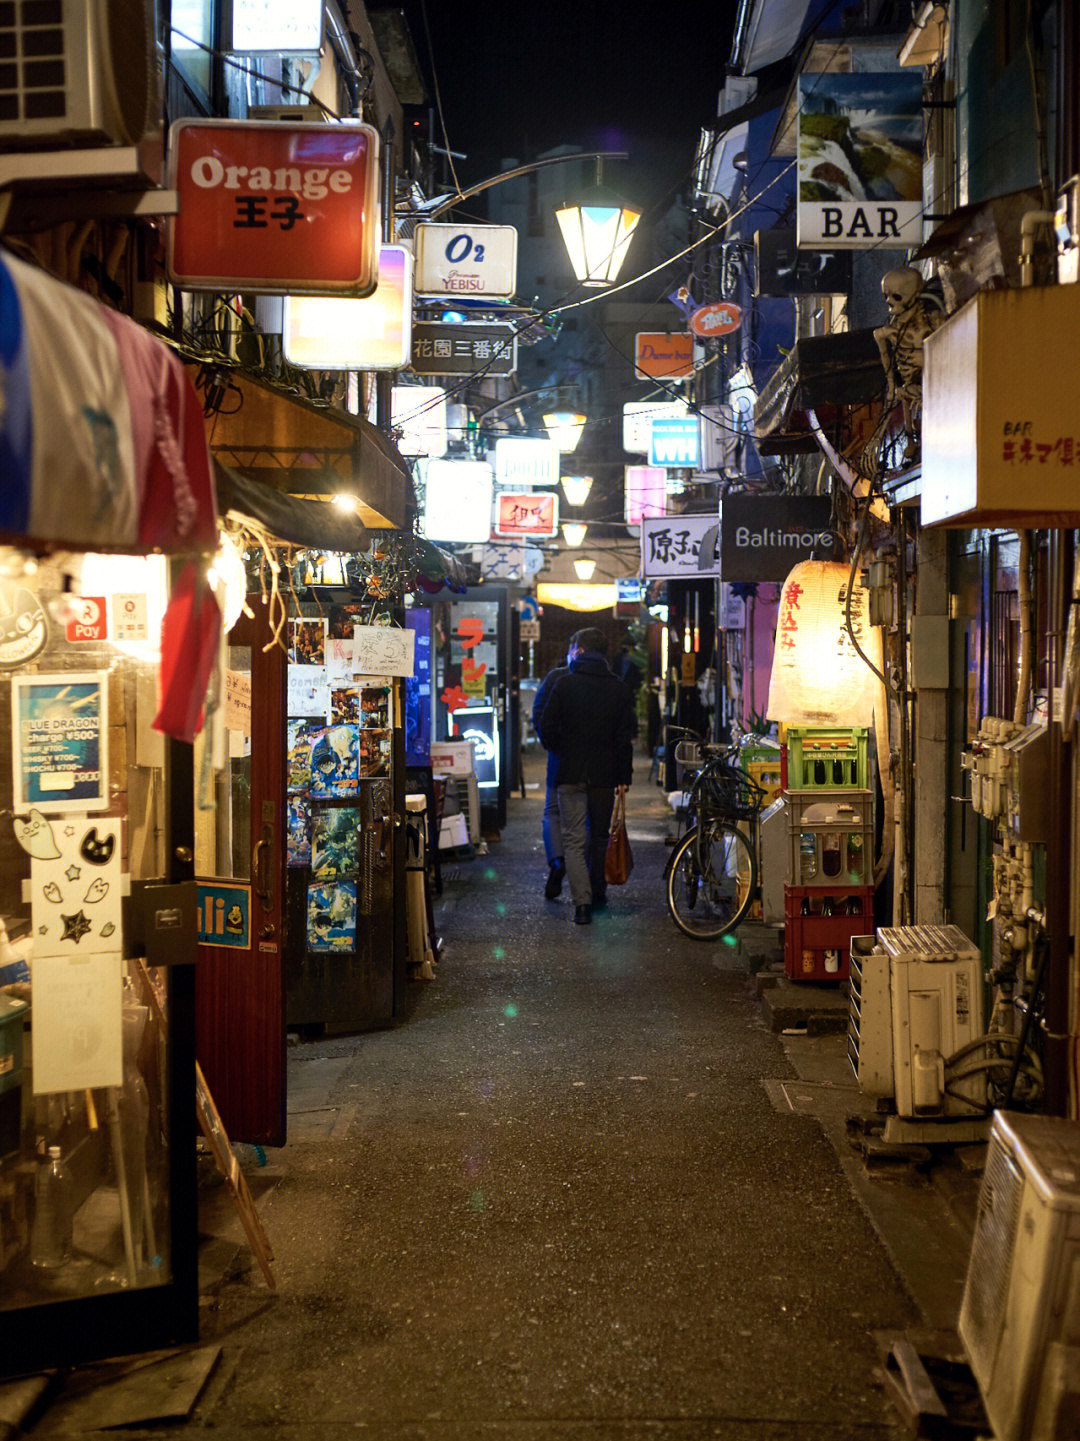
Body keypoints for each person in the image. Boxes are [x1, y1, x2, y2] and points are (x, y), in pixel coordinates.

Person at [536, 627, 634, 925]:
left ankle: (582, 905)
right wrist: (623, 775)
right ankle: (599, 893)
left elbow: (546, 727)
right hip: (604, 774)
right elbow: (623, 737)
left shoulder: (563, 684)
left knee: (574, 841)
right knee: (600, 835)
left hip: (570, 772)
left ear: (579, 650)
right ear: (603, 653)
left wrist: (560, 749)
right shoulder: (618, 688)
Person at [532, 640, 576, 899]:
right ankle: (586, 873)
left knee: (553, 812)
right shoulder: (604, 678)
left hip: (559, 758)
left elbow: (539, 715)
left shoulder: (555, 678)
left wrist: (551, 744)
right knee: (586, 821)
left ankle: (558, 862)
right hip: (592, 762)